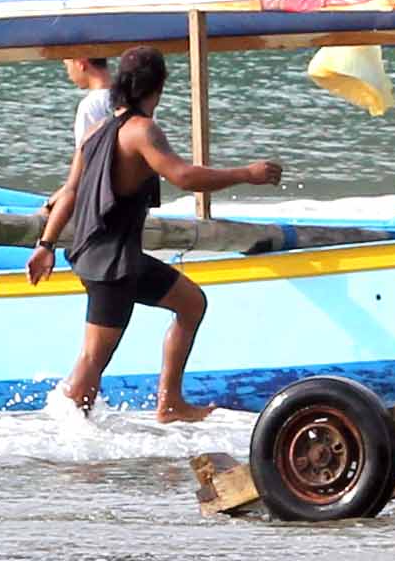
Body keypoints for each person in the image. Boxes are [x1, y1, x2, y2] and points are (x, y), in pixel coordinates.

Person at [29, 45, 284, 425]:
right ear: (158, 87)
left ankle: (170, 404)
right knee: (89, 368)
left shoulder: (99, 130)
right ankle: (58, 440)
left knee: (191, 303)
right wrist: (246, 174)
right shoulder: (142, 131)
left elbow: (68, 191)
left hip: (112, 256)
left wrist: (46, 245)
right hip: (111, 265)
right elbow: (181, 176)